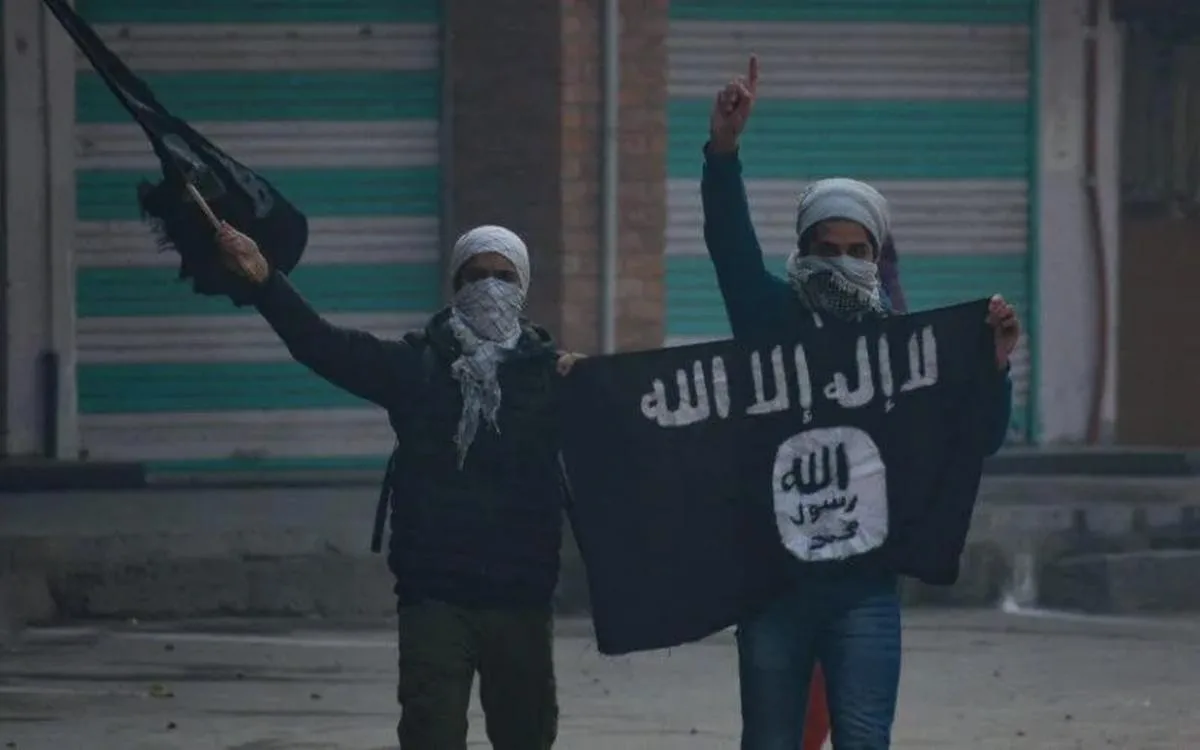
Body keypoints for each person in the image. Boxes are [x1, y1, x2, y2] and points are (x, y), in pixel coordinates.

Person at [703, 56, 1020, 750]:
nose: (843, 259)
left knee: (865, 738)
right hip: (773, 588)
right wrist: (723, 148)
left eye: (857, 248)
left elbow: (978, 437)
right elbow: (729, 246)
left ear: (877, 257)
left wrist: (995, 366)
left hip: (864, 592)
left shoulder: (903, 351)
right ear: (803, 249)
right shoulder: (769, 317)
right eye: (828, 246)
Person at [216, 222, 581, 750]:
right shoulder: (417, 367)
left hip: (520, 600)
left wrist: (594, 379)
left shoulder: (550, 377)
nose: (489, 287)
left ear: (522, 287)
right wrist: (265, 280)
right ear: (456, 285)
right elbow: (323, 345)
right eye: (476, 275)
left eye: (504, 277)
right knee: (430, 734)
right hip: (435, 596)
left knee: (526, 736)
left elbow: (637, 424)